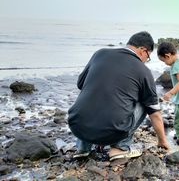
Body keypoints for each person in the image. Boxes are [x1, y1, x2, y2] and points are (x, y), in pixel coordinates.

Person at [68, 31, 169, 161]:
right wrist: (162, 141)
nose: (146, 61)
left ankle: (82, 148)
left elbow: (80, 84)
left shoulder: (100, 54)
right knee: (146, 103)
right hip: (112, 132)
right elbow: (154, 112)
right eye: (148, 57)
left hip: (77, 127)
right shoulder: (143, 71)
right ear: (143, 50)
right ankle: (120, 148)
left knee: (92, 91)